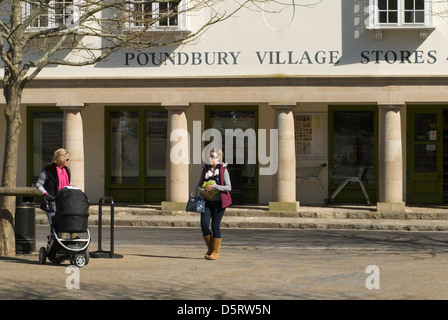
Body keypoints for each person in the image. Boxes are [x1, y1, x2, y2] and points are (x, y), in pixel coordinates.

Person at [197, 148, 232, 260]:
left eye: (213, 156)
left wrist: (215, 186)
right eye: (209, 156)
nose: (210, 158)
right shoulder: (205, 169)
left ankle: (215, 252)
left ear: (218, 158)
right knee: (204, 225)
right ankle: (210, 248)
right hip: (206, 202)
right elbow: (198, 186)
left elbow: (229, 187)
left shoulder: (223, 170)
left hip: (219, 203)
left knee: (215, 226)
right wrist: (201, 190)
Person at [36, 148, 71, 236]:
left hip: (63, 201)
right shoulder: (48, 170)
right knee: (54, 225)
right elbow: (38, 185)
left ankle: (61, 244)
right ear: (61, 159)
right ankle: (54, 244)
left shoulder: (66, 171)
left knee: (63, 224)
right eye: (67, 159)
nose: (68, 161)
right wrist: (46, 194)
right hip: (51, 202)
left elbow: (68, 185)